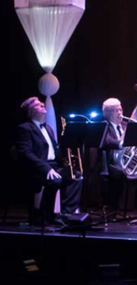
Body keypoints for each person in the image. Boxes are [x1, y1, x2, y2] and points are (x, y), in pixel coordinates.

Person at [14, 97, 83, 226]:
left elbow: (54, 152)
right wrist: (46, 169)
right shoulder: (25, 128)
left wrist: (66, 162)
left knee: (76, 175)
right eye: (38, 105)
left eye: (42, 103)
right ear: (31, 111)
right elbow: (25, 152)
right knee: (55, 180)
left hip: (53, 166)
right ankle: (44, 215)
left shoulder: (49, 129)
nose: (42, 105)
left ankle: (66, 213)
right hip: (36, 169)